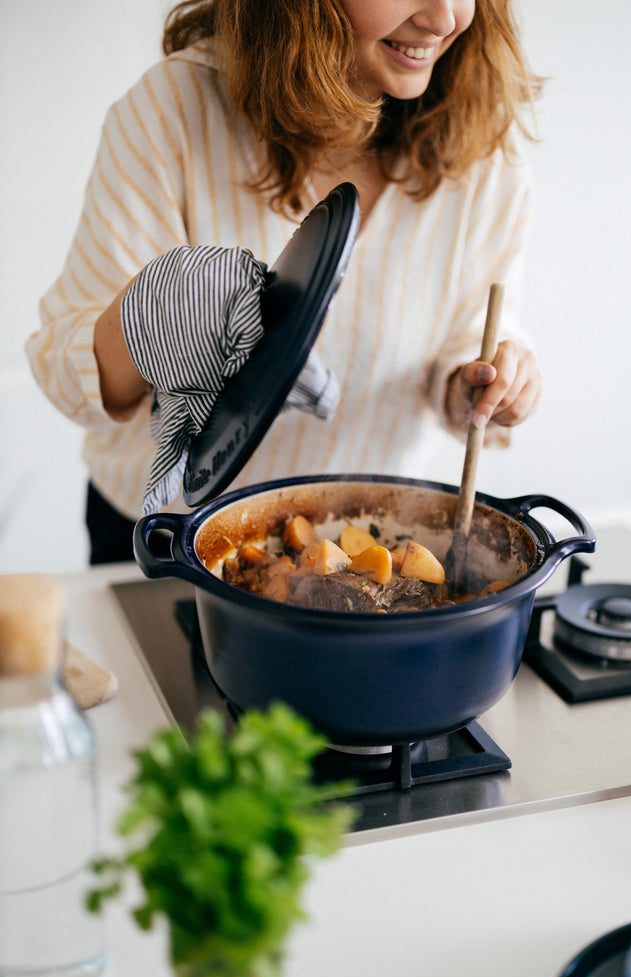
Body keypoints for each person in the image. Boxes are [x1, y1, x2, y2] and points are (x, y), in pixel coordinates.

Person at [26, 0, 543, 564]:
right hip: (167, 547)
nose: (444, 19)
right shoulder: (173, 111)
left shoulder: (486, 148)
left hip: (363, 548)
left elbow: (468, 335)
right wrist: (156, 310)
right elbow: (67, 380)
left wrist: (479, 381)